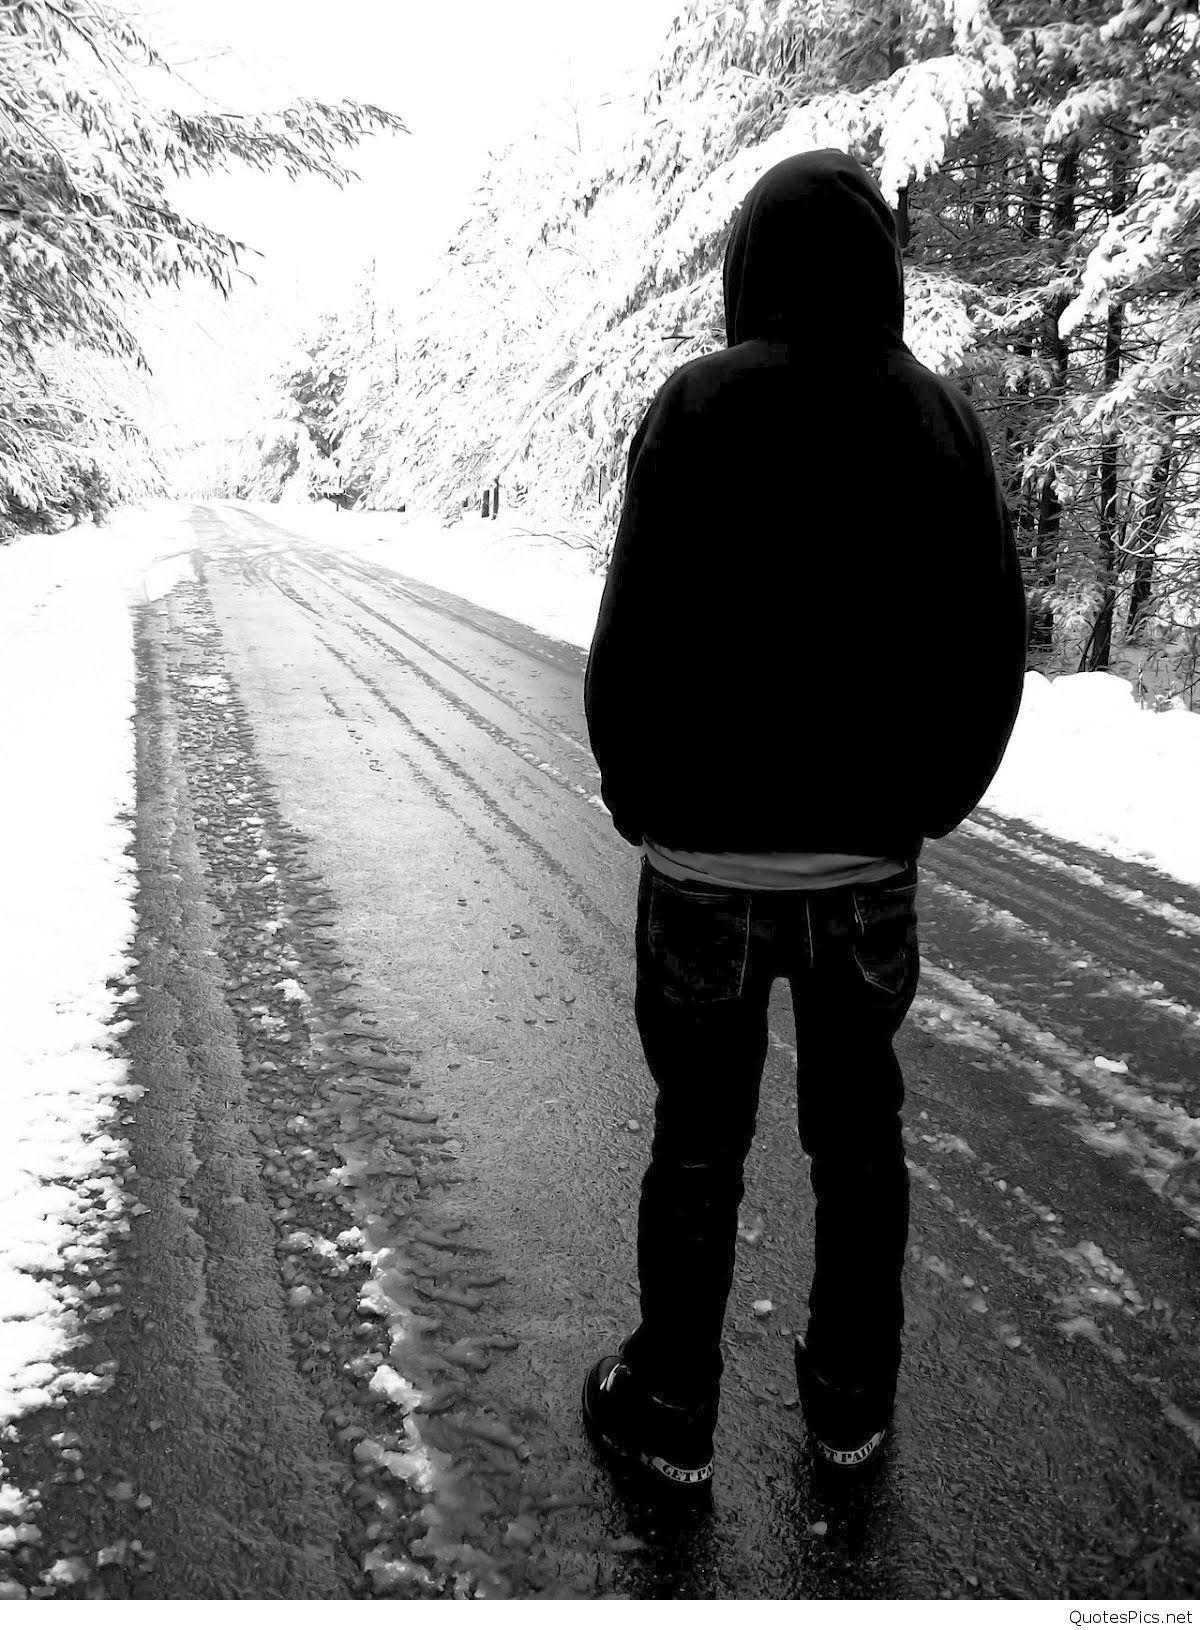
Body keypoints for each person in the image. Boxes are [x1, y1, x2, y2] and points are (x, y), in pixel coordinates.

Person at [580, 148, 1027, 1491]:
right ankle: (849, 1405)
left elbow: (633, 628)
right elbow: (988, 649)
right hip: (865, 867)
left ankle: (669, 1407)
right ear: (881, 269)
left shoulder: (696, 404)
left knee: (697, 1140)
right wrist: (928, 801)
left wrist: (638, 790)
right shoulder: (939, 420)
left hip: (702, 864)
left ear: (750, 268)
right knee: (859, 1136)